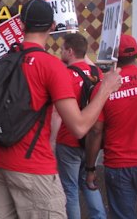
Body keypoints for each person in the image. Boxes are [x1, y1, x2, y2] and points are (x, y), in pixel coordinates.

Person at [0, 0, 122, 218]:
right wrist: (105, 88)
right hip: (33, 167)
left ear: (21, 24)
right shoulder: (50, 66)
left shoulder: (5, 60)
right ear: (51, 27)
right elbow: (79, 127)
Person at [86, 34, 137, 219]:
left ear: (114, 58)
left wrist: (90, 168)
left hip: (118, 165)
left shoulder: (104, 87)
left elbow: (95, 131)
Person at [54, 33, 106, 219]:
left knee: (70, 189)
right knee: (89, 182)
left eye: (63, 49)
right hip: (93, 140)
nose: (60, 51)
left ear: (70, 51)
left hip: (69, 139)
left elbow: (57, 113)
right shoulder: (97, 74)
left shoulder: (64, 75)